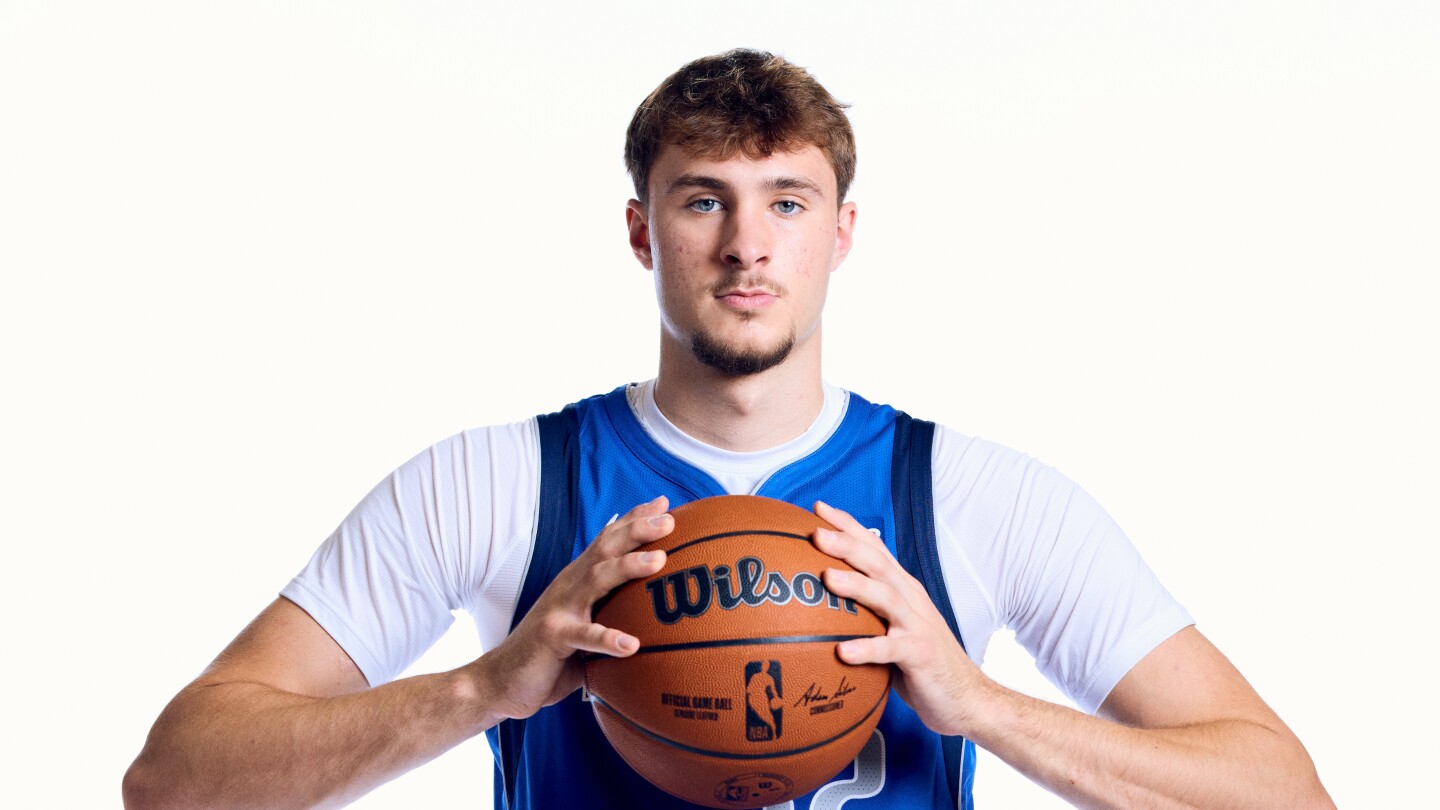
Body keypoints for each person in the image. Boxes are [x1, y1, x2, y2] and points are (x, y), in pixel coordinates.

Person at [123, 49, 1333, 809]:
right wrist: (485, 688)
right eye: (704, 201)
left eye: (786, 202)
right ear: (641, 232)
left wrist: (979, 706)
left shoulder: (976, 498)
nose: (748, 247)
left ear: (841, 234)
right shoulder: (500, 483)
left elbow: (1285, 794)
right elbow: (171, 782)